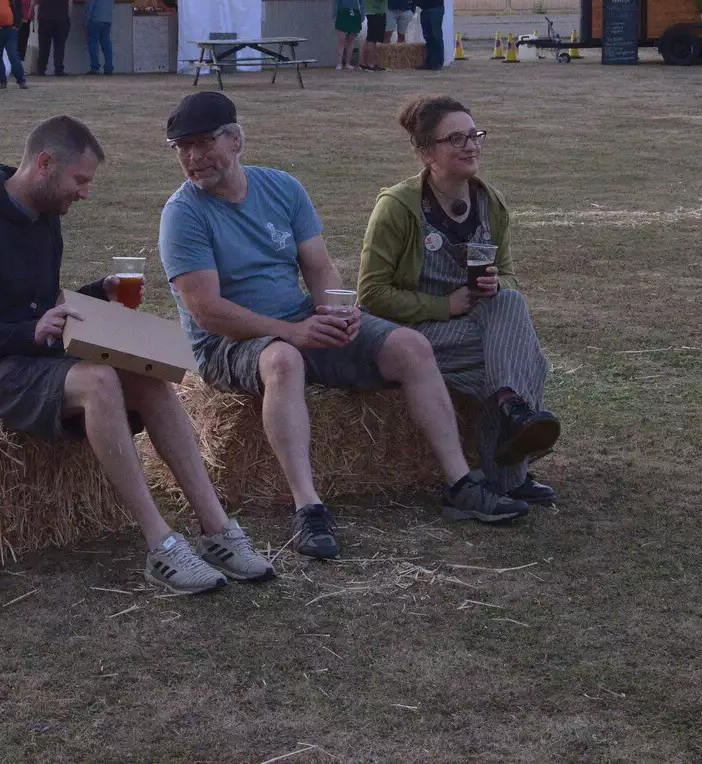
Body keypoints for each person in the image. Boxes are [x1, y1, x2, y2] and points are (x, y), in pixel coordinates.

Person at [158, 92, 530, 562]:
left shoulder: (281, 188)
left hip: (298, 320)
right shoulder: (183, 213)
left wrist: (335, 309)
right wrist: (292, 332)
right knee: (285, 360)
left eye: (202, 143)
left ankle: (461, 481)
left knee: (412, 346)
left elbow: (317, 267)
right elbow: (207, 311)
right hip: (227, 344)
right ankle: (308, 506)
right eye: (181, 148)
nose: (192, 158)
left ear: (235, 141)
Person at [0, 115, 274, 594]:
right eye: (80, 180)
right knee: (99, 381)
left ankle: (217, 529)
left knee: (145, 374)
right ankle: (160, 544)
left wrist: (97, 293)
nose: (85, 193)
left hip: (28, 358)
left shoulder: (44, 217)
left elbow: (35, 301)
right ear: (46, 165)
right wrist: (28, 333)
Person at [358, 95, 562, 509]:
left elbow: (508, 272)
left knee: (510, 304)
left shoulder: (491, 203)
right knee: (521, 357)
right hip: (414, 335)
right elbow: (371, 295)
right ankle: (510, 470)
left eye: (474, 134)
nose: (470, 146)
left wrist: (495, 284)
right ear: (426, 151)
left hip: (475, 324)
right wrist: (442, 306)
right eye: (456, 138)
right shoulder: (397, 208)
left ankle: (509, 413)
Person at [33, 0, 74, 77]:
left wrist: (34, 8)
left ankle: (41, 70)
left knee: (44, 46)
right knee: (59, 46)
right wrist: (68, 16)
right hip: (61, 18)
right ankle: (59, 70)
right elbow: (70, 2)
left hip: (45, 17)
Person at [83, 0, 116, 75]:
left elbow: (90, 2)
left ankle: (95, 67)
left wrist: (86, 18)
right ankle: (109, 67)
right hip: (107, 18)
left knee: (93, 43)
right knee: (106, 43)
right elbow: (113, 0)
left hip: (95, 17)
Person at [332, 0, 364, 71]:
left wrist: (362, 14)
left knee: (351, 40)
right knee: (341, 38)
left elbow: (362, 0)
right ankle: (339, 63)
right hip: (342, 12)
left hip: (354, 12)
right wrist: (334, 14)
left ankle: (348, 63)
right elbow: (336, 0)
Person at [15, 0, 36, 74]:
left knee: (23, 43)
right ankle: (15, 66)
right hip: (18, 21)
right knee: (17, 43)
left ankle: (20, 66)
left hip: (26, 21)